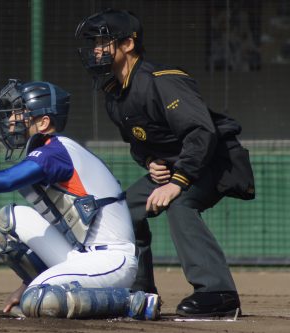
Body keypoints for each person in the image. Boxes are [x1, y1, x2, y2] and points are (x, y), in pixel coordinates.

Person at [75, 9, 255, 317]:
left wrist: (177, 182)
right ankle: (140, 292)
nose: (96, 49)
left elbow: (201, 132)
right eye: (93, 43)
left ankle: (218, 293)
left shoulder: (161, 81)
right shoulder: (113, 94)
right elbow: (140, 142)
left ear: (128, 44)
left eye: (103, 42)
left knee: (180, 204)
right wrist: (150, 161)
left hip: (215, 159)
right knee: (122, 211)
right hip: (175, 166)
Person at [0, 79, 161, 319]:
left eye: (20, 112)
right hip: (82, 254)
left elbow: (7, 180)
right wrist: (27, 283)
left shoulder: (56, 152)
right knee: (8, 220)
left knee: (38, 300)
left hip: (110, 260)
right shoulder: (50, 150)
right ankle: (39, 285)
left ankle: (132, 302)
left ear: (43, 122)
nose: (12, 119)